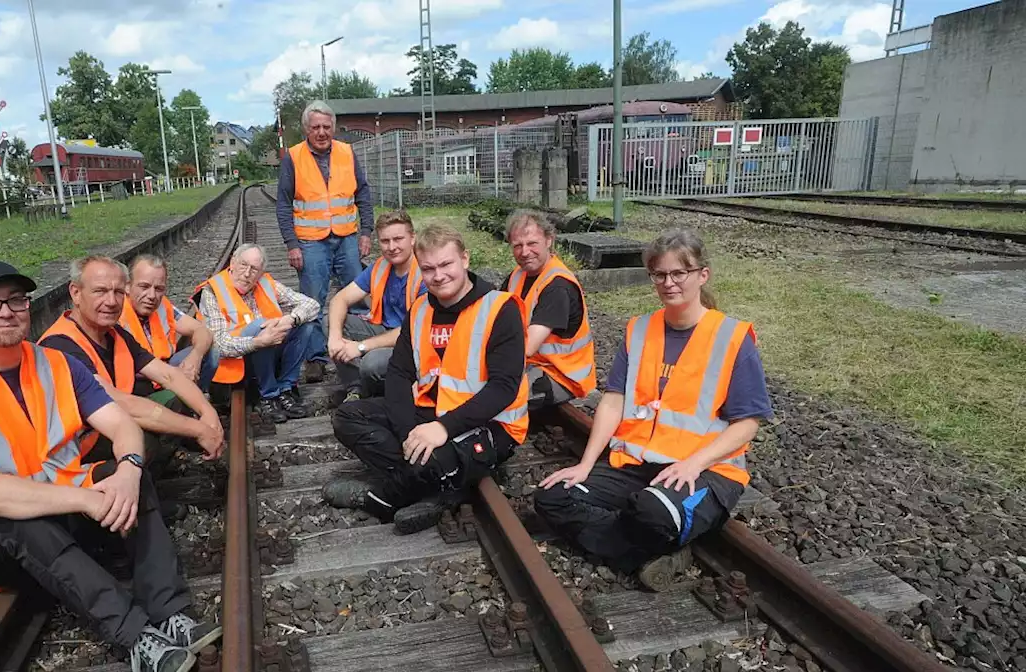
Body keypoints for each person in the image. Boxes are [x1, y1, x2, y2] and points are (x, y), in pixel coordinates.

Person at [0, 260, 220, 672]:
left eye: (16, 300)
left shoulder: (54, 364)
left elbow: (121, 424)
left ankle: (170, 611)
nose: (6, 311)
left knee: (122, 477)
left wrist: (128, 469)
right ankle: (134, 635)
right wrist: (82, 499)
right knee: (20, 524)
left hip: (59, 509)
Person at [533, 230, 773, 591]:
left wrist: (694, 463)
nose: (669, 283)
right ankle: (644, 555)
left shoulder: (732, 338)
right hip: (637, 466)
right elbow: (613, 401)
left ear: (702, 275)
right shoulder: (640, 330)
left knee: (649, 511)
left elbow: (747, 423)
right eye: (660, 274)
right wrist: (585, 464)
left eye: (680, 273)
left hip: (705, 471)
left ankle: (633, 535)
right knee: (552, 497)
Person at [323, 225, 529, 535]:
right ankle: (441, 484)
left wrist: (441, 429)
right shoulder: (420, 309)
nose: (438, 276)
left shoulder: (501, 308)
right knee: (347, 417)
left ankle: (381, 498)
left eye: (446, 265)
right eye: (429, 268)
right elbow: (399, 374)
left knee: (430, 457)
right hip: (431, 411)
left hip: (489, 423)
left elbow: (504, 388)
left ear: (465, 259)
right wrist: (409, 432)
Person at [39, 256, 224, 463]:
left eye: (117, 292)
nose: (111, 302)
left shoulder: (114, 333)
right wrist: (198, 429)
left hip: (109, 424)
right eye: (100, 291)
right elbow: (117, 402)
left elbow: (168, 375)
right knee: (142, 440)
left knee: (173, 400)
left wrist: (207, 411)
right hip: (74, 449)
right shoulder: (61, 345)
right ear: (76, 293)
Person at [276, 100, 375, 361]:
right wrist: (291, 244)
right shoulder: (293, 157)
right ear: (306, 130)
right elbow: (284, 204)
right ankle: (316, 358)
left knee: (357, 297)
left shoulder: (347, 152)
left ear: (333, 128)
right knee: (312, 302)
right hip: (310, 242)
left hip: (346, 238)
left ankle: (359, 349)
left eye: (326, 127)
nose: (321, 132)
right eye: (315, 127)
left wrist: (366, 231)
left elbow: (362, 191)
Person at [193, 243, 324, 425]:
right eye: (243, 265)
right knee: (259, 326)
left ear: (261, 272)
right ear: (232, 262)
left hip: (269, 354)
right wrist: (258, 342)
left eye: (254, 269)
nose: (247, 274)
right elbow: (220, 345)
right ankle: (268, 396)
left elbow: (312, 305)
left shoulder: (266, 283)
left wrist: (290, 319)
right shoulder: (213, 291)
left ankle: (286, 389)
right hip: (237, 362)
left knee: (305, 325)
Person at [501, 210, 597, 410]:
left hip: (561, 375)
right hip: (532, 365)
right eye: (518, 245)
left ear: (549, 240)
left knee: (493, 391)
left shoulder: (557, 286)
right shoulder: (517, 276)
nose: (525, 252)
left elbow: (526, 347)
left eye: (532, 243)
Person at [327, 210, 425, 402]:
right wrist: (335, 338)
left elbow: (413, 330)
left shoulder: (425, 273)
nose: (392, 247)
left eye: (398, 239)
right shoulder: (380, 266)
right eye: (385, 241)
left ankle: (376, 386)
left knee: (371, 363)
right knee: (332, 322)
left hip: (413, 344)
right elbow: (339, 299)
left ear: (412, 238)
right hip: (384, 329)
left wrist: (361, 347)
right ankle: (356, 388)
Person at [119, 253, 220, 397]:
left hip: (165, 369)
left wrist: (195, 357)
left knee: (211, 350)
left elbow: (202, 330)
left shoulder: (162, 306)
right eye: (144, 286)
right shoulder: (116, 312)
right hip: (139, 383)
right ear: (127, 286)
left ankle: (196, 399)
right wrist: (173, 375)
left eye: (159, 289)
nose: (152, 295)